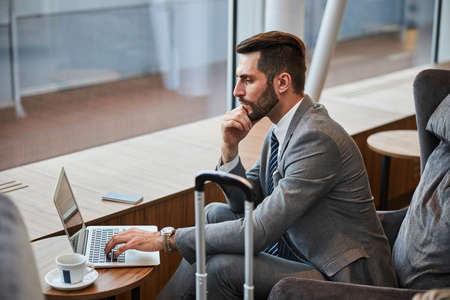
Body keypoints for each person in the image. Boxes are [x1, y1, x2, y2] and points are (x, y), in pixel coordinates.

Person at [105, 31, 398, 299]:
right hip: (296, 247)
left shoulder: (317, 138)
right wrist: (230, 148)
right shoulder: (280, 130)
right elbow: (245, 201)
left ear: (282, 82)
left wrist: (166, 239)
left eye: (247, 79)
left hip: (337, 274)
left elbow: (258, 228)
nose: (236, 91)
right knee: (213, 214)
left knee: (221, 268)